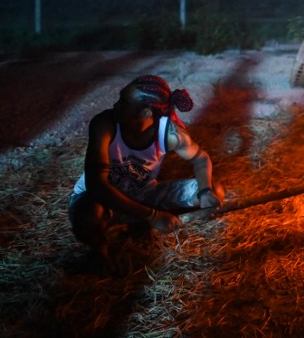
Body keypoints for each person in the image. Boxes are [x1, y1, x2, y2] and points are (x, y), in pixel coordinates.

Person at [68, 74, 224, 270]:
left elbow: (200, 158)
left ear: (145, 113)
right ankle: (99, 255)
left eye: (124, 102)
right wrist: (152, 215)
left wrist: (204, 192)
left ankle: (144, 223)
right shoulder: (105, 124)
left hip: (143, 195)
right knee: (88, 215)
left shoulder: (169, 134)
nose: (116, 105)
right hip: (101, 201)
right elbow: (96, 186)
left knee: (215, 190)